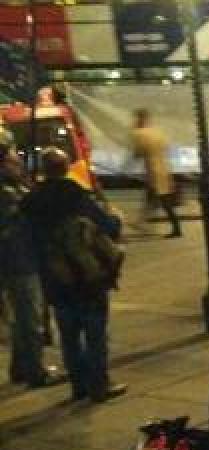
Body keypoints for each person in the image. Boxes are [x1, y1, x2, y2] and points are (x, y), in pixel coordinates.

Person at [22, 148, 125, 403]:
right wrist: (114, 218)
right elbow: (108, 227)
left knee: (68, 334)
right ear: (66, 167)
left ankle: (78, 385)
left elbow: (29, 242)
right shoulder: (77, 196)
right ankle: (99, 385)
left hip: (56, 278)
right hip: (88, 276)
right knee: (95, 332)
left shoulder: (32, 201)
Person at [0, 145, 62, 388]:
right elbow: (26, 218)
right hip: (18, 261)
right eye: (16, 162)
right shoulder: (7, 193)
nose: (21, 166)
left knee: (22, 318)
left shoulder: (14, 188)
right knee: (30, 318)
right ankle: (36, 371)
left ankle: (21, 366)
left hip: (19, 259)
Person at [130, 109, 181, 238]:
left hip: (152, 171)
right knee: (154, 198)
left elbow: (138, 153)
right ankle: (141, 223)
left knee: (163, 201)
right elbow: (166, 147)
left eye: (136, 118)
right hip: (164, 168)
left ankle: (176, 228)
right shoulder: (158, 131)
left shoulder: (139, 133)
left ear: (140, 118)